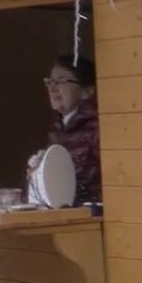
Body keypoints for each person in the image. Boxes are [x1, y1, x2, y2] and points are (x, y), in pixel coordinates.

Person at [44, 54, 101, 204]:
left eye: (61, 81)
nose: (52, 88)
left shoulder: (97, 128)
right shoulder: (58, 128)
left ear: (87, 91)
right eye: (50, 81)